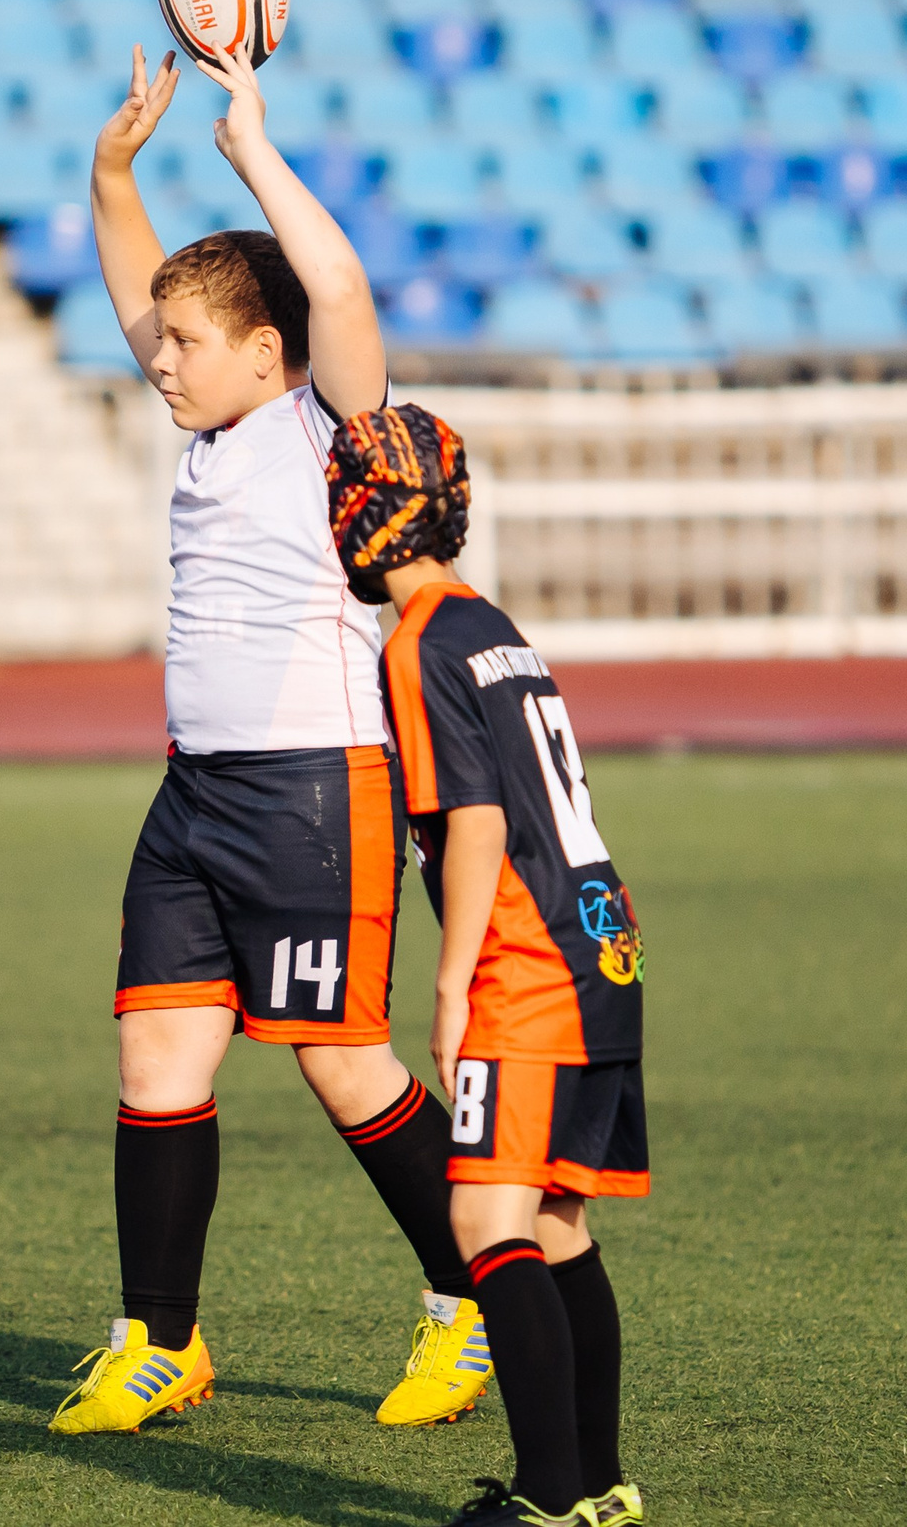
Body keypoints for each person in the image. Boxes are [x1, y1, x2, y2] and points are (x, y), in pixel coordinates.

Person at [47, 46, 492, 1438]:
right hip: (194, 794)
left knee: (343, 1060)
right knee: (154, 1066)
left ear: (264, 351)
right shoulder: (210, 417)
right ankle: (157, 1342)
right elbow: (135, 287)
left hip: (320, 790)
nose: (156, 358)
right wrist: (113, 172)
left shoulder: (320, 425)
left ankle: (472, 1295)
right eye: (161, 339)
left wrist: (251, 153)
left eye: (184, 342)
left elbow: (341, 294)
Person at [329, 404, 648, 1527]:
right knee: (557, 1225)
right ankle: (600, 1487)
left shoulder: (417, 642)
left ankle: (549, 1498)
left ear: (364, 514)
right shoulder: (491, 621)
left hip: (528, 963)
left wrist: (451, 981)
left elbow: (470, 823)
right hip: (601, 941)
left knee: (487, 1229)